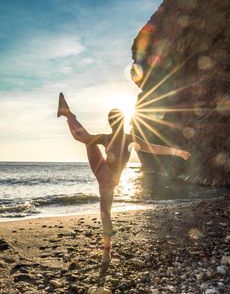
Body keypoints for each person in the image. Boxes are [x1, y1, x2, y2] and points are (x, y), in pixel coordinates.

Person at [57, 93, 191, 263]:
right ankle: (107, 252)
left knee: (86, 139)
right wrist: (175, 151)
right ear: (122, 121)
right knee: (106, 215)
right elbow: (153, 148)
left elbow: (78, 137)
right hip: (108, 177)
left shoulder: (108, 138)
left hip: (104, 173)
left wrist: (70, 121)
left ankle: (68, 113)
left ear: (111, 123)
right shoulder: (128, 138)